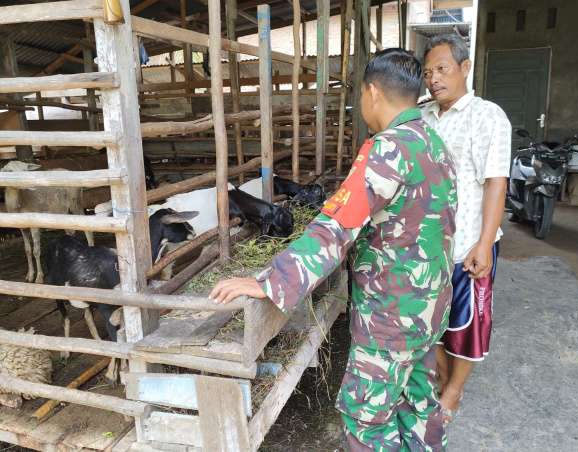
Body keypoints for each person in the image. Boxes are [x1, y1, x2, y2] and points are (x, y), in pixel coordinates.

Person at [210, 48, 458, 451]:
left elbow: (335, 228)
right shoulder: (434, 143)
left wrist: (272, 280)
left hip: (392, 316)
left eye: (360, 95)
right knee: (418, 405)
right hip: (429, 309)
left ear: (372, 92)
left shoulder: (388, 149)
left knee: (365, 417)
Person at [420, 34, 512, 424]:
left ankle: (454, 391)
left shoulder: (487, 116)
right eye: (428, 72)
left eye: (442, 69)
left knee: (467, 324)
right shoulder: (422, 116)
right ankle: (442, 378)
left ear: (465, 67)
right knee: (433, 323)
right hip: (429, 246)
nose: (433, 79)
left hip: (468, 244)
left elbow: (495, 183)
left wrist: (484, 243)